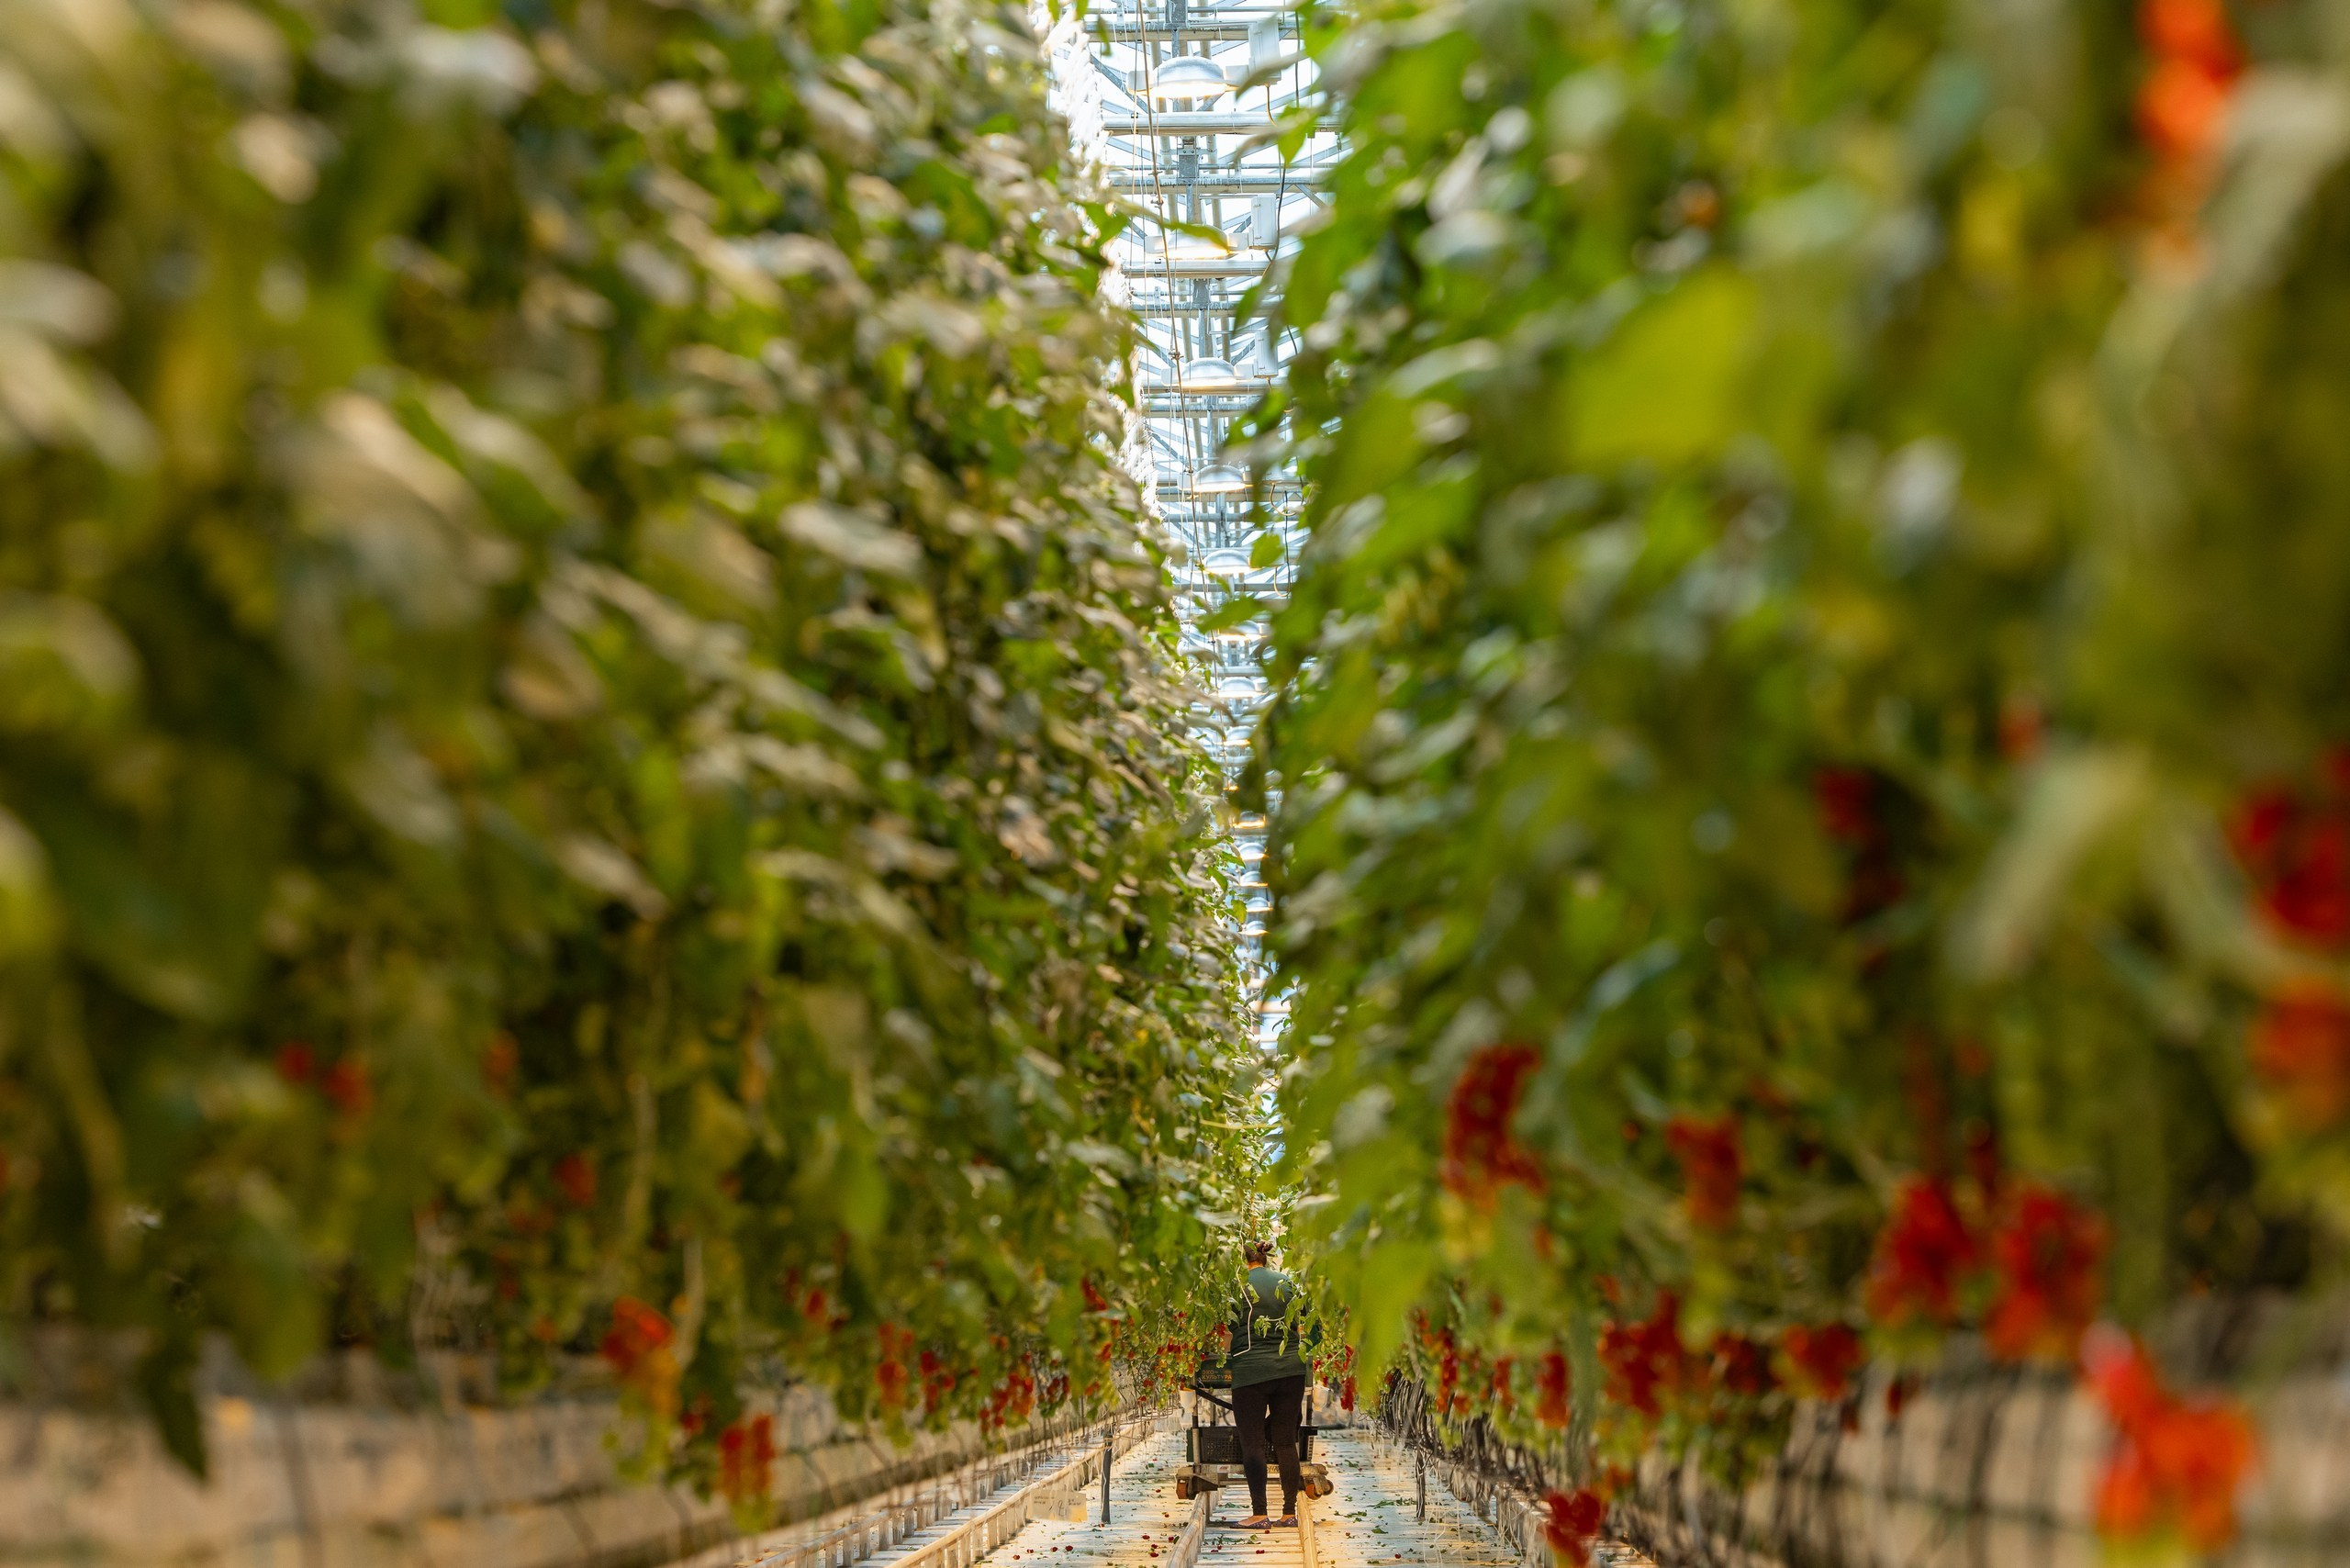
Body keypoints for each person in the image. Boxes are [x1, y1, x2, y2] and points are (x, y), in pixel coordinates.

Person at [1225, 1239, 1314, 1529]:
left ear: (1243, 1260)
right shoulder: (1287, 1283)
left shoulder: (1236, 1287)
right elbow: (1312, 1322)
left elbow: (1224, 1326)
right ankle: (1289, 1513)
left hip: (1250, 1370)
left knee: (1252, 1442)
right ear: (1265, 1258)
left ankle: (1259, 1513)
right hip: (1290, 1369)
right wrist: (1303, 1349)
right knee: (1286, 1441)